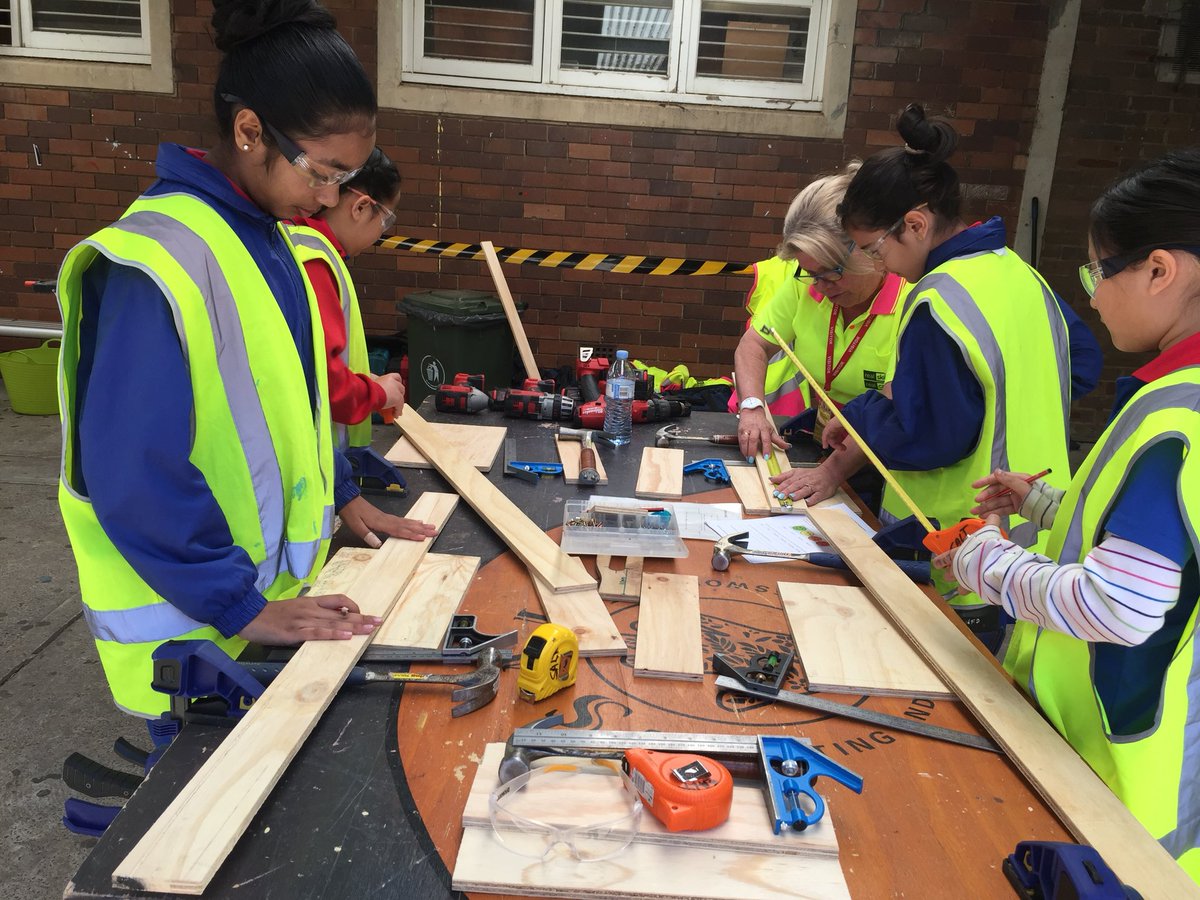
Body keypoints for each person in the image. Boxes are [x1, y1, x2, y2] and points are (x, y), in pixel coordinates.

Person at [54, 0, 436, 719]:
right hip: (191, 640)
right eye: (322, 173)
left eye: (346, 181)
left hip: (259, 617)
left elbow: (288, 410)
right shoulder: (157, 260)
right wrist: (240, 606)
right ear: (249, 130)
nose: (329, 199)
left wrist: (341, 492)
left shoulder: (266, 239)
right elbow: (134, 470)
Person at [933, 148, 1200, 882]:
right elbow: (1173, 549)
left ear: (1159, 271)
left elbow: (1119, 605)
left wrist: (987, 563)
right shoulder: (1178, 398)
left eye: (1096, 272)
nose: (1092, 297)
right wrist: (1049, 506)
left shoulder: (1180, 417)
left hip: (1120, 797)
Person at [827, 104, 1090, 630]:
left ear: (916, 224)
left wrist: (862, 414)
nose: (877, 265)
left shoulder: (936, 302)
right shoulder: (1019, 274)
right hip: (1044, 529)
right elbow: (1080, 365)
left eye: (872, 250)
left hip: (962, 547)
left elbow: (934, 438)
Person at [733, 162, 904, 506]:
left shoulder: (910, 302)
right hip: (825, 444)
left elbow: (892, 406)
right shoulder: (806, 286)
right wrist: (753, 407)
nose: (821, 287)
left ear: (868, 250)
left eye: (832, 273)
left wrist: (831, 473)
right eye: (809, 274)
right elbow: (754, 344)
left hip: (888, 462)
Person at [290, 148, 405, 450]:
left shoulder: (295, 243)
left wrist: (365, 383)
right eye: (384, 222)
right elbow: (325, 383)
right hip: (313, 458)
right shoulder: (316, 262)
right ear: (361, 207)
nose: (379, 235)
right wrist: (377, 394)